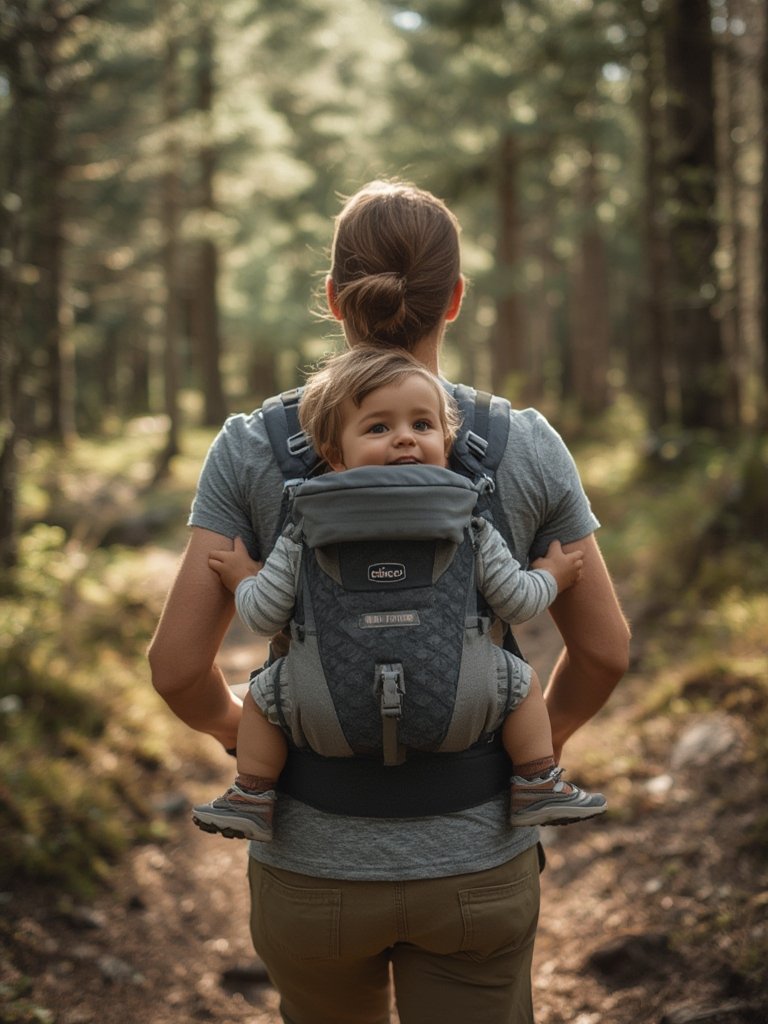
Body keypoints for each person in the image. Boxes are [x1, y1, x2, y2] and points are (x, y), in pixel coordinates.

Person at [148, 179, 630, 1024]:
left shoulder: (252, 446)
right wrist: (531, 750)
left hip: (311, 869)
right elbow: (604, 652)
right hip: (477, 862)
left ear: (333, 298)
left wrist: (258, 737)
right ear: (455, 299)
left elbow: (178, 666)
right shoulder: (524, 443)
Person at [191, 346, 606, 843]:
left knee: (263, 695)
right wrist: (554, 578)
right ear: (335, 453)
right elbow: (516, 601)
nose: (405, 437)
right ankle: (537, 781)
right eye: (379, 428)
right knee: (520, 684)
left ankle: (253, 793)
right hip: (462, 702)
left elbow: (263, 615)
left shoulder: (303, 527)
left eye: (422, 426)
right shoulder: (469, 521)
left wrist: (242, 578)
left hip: (323, 709)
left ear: (445, 441)